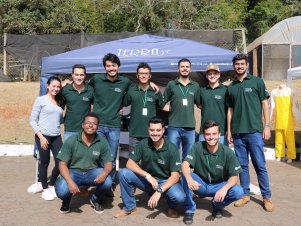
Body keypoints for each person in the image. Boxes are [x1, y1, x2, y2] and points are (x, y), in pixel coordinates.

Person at [89, 53, 158, 190]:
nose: (111, 68)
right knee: (97, 156)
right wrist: (67, 82)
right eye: (108, 66)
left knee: (112, 156)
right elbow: (84, 89)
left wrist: (150, 83)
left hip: (114, 125)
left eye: (113, 65)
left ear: (118, 67)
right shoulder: (96, 79)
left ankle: (109, 183)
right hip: (98, 126)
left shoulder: (125, 82)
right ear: (104, 67)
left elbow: (141, 84)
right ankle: (98, 183)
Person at [226, 53, 274, 212]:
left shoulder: (257, 82)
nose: (239, 66)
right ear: (234, 66)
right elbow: (230, 110)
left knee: (260, 165)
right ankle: (245, 195)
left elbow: (265, 104)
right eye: (237, 64)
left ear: (246, 65)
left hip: (254, 132)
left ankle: (267, 197)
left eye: (242, 63)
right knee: (242, 166)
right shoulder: (231, 87)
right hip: (238, 133)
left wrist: (267, 126)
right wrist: (229, 130)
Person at [115, 116, 186, 218]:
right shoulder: (143, 144)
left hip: (165, 182)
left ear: (163, 130)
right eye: (152, 130)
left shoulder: (172, 149)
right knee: (123, 173)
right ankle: (129, 207)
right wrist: (148, 176)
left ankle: (171, 207)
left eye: (158, 130)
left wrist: (159, 191)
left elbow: (175, 176)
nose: (155, 133)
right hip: (148, 181)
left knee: (179, 197)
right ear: (148, 130)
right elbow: (129, 163)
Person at [181, 120, 243, 224]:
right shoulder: (197, 146)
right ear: (204, 135)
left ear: (219, 134)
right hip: (200, 184)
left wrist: (224, 189)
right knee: (184, 175)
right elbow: (185, 164)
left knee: (238, 191)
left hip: (218, 187)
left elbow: (235, 176)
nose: (211, 137)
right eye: (208, 134)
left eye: (214, 134)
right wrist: (189, 179)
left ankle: (217, 205)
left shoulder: (228, 152)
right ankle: (189, 209)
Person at [55, 112, 113, 214]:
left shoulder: (102, 142)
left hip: (92, 173)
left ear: (97, 127)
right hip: (73, 173)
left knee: (108, 181)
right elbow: (62, 163)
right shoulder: (72, 140)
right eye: (88, 122)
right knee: (62, 191)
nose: (91, 125)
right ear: (83, 125)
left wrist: (104, 174)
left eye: (94, 123)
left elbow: (108, 164)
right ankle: (67, 199)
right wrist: (70, 182)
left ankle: (95, 199)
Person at [29, 76, 64, 201]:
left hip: (56, 136)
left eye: (58, 86)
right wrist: (41, 137)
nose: (56, 88)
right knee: (44, 162)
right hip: (43, 136)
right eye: (53, 86)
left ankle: (52, 184)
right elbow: (32, 120)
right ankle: (45, 189)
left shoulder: (59, 101)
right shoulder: (40, 100)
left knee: (61, 162)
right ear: (47, 86)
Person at [163, 58, 199, 160]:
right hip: (174, 126)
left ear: (190, 69)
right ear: (178, 69)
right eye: (182, 66)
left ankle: (184, 176)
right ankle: (174, 176)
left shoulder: (195, 86)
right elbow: (162, 104)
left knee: (188, 158)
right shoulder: (171, 84)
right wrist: (174, 109)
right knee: (172, 156)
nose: (185, 69)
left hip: (190, 127)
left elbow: (199, 104)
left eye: (187, 67)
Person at [123, 62, 163, 152]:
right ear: (137, 75)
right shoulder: (131, 91)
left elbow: (163, 106)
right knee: (133, 162)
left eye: (146, 74)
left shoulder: (155, 91)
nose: (143, 76)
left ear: (150, 76)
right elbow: (123, 103)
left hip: (152, 134)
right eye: (141, 73)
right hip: (135, 134)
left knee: (149, 162)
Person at [197, 63, 228, 145]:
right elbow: (199, 105)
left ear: (219, 75)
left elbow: (230, 110)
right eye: (210, 74)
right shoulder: (202, 91)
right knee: (203, 156)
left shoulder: (226, 90)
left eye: (215, 73)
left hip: (221, 132)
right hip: (204, 132)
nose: (212, 76)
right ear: (206, 76)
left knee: (221, 157)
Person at [62, 64, 94, 141]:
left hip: (86, 130)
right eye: (76, 75)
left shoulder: (91, 90)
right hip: (69, 130)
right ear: (72, 75)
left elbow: (99, 105)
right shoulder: (65, 90)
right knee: (69, 153)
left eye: (81, 75)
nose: (79, 77)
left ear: (85, 76)